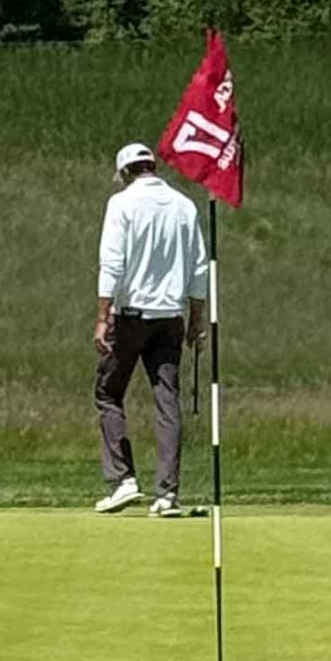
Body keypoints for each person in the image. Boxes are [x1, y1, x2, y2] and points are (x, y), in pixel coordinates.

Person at [93, 141, 209, 517]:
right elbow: (198, 267)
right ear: (153, 167)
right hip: (170, 318)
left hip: (131, 316)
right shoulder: (185, 205)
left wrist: (102, 316)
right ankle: (167, 495)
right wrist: (197, 318)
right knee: (167, 401)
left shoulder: (121, 204)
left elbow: (111, 263)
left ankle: (123, 480)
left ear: (127, 172)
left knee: (109, 393)